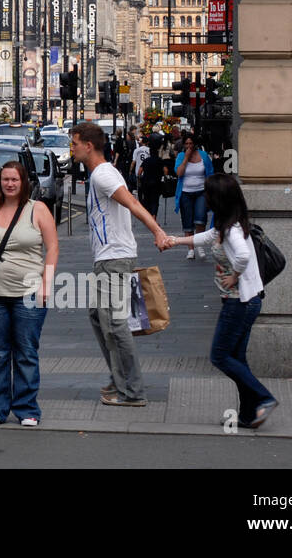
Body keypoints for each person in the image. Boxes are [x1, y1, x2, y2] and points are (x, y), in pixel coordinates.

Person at [69, 122, 175, 408]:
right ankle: (120, 379)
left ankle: (132, 390)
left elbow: (133, 204)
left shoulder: (103, 174)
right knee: (98, 316)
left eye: (75, 142)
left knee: (115, 324)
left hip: (114, 259)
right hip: (110, 258)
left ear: (88, 145)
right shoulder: (100, 174)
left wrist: (157, 232)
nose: (72, 147)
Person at [161, 173, 277, 429]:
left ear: (219, 198)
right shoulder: (227, 224)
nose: (205, 196)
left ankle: (264, 397)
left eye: (208, 193)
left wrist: (234, 275)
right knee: (238, 358)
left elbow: (244, 256)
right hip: (247, 301)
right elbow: (207, 237)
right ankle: (249, 414)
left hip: (239, 302)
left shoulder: (233, 229)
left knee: (220, 356)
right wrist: (176, 241)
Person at [0, 161, 59, 426]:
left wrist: (46, 285)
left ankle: (27, 408)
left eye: (15, 179)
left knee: (26, 351)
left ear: (23, 182)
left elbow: (52, 249)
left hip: (29, 293)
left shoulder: (37, 210)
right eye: (5, 179)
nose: (10, 184)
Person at [175, 131, 214, 259]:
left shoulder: (203, 155)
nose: (189, 146)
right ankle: (190, 249)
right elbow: (179, 173)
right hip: (185, 192)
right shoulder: (181, 156)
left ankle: (200, 246)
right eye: (186, 143)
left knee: (200, 219)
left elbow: (210, 172)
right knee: (187, 220)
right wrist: (186, 158)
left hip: (201, 191)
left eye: (191, 143)